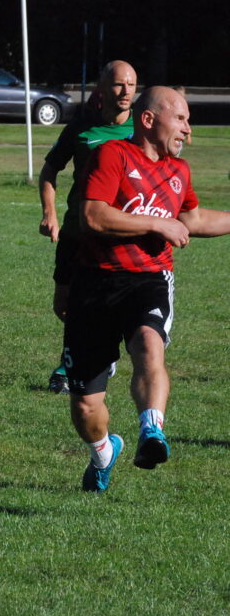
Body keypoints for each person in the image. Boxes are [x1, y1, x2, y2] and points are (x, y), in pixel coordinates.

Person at [68, 86, 230, 492]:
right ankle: (103, 451)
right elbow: (94, 216)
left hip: (149, 278)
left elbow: (192, 220)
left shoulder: (179, 171)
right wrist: (157, 223)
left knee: (148, 343)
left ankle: (151, 431)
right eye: (181, 119)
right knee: (86, 405)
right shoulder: (113, 155)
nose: (188, 130)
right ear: (148, 120)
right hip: (94, 283)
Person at [38, 60, 138, 394]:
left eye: (131, 85)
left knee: (104, 304)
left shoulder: (143, 127)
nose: (125, 92)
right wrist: (50, 214)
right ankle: (97, 352)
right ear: (102, 87)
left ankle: (72, 365)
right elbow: (49, 171)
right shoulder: (81, 128)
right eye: (118, 84)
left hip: (117, 235)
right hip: (76, 231)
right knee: (65, 305)